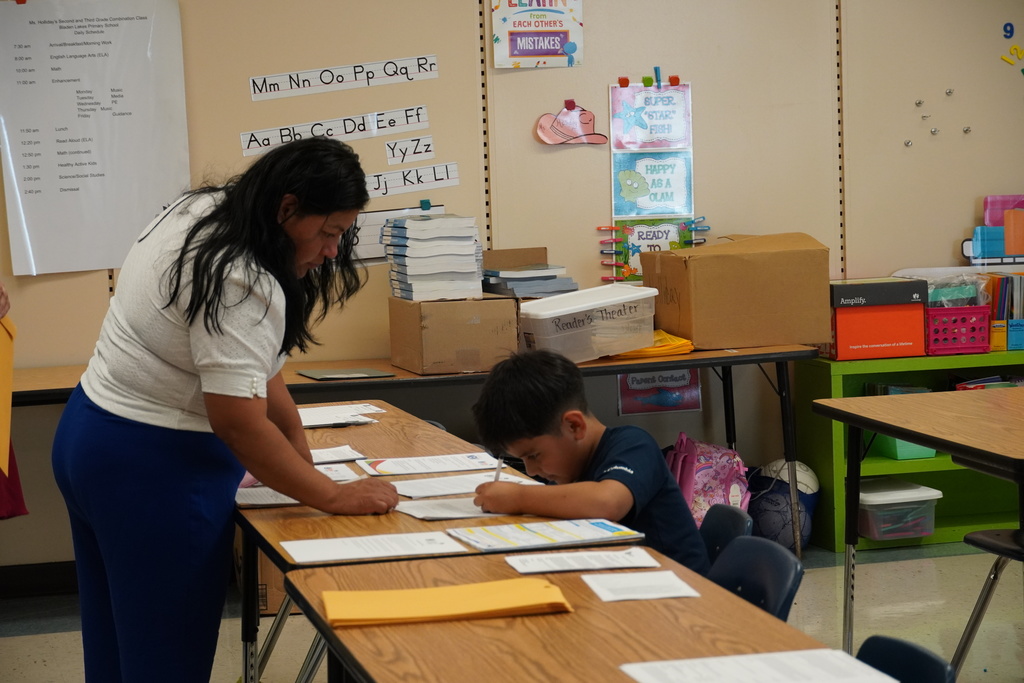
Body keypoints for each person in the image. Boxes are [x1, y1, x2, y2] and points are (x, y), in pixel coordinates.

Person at [51, 137, 398, 683]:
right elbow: (237, 422)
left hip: (90, 438)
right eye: (328, 231)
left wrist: (300, 457)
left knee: (118, 643)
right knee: (165, 660)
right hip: (153, 471)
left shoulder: (206, 210)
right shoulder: (242, 278)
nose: (334, 249)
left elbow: (254, 365)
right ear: (288, 209)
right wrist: (331, 495)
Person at [472, 349, 710, 575]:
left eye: (533, 456)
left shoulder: (635, 444)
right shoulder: (570, 470)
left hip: (682, 595)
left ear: (574, 425)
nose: (532, 471)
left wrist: (517, 497)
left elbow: (606, 502)